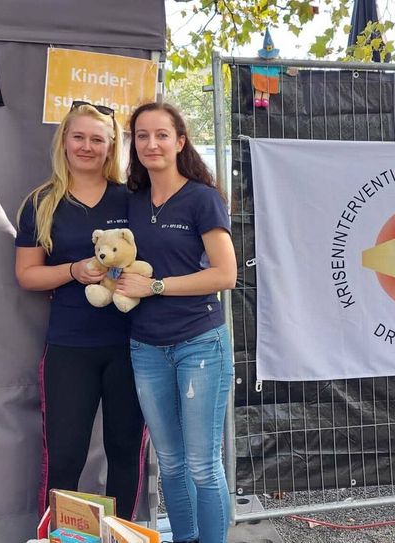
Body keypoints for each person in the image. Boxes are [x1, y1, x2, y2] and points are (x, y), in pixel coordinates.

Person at [15, 101, 145, 520]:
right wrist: (72, 271)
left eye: (97, 139)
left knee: (125, 452)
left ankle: (120, 533)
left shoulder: (133, 201)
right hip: (69, 347)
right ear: (64, 142)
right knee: (65, 457)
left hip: (132, 347)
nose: (87, 147)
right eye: (79, 137)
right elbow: (27, 275)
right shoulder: (42, 203)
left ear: (111, 147)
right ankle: (61, 536)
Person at [115, 102, 237, 543]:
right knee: (170, 462)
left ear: (180, 141)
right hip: (146, 347)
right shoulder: (129, 203)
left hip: (200, 343)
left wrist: (157, 287)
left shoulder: (202, 199)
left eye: (161, 134)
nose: (152, 144)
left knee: (204, 464)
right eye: (142, 135)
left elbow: (225, 275)